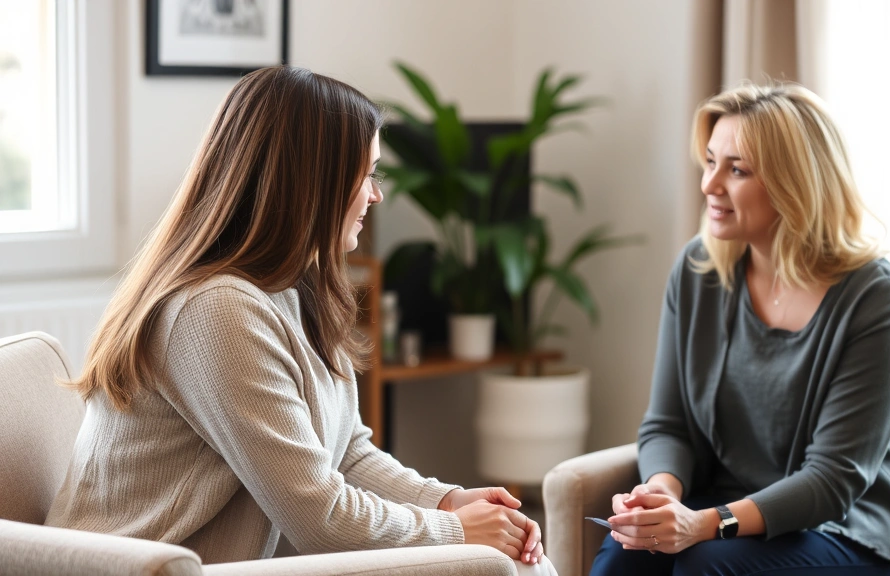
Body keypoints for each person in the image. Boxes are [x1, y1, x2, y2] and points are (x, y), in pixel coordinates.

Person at [45, 66, 554, 575]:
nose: (376, 195)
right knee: (500, 566)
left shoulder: (296, 287)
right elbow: (320, 520)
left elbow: (346, 451)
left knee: (513, 562)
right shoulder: (216, 309)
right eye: (366, 175)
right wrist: (455, 531)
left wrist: (445, 501)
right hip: (143, 571)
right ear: (312, 182)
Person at [590, 83, 890, 575]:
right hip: (725, 508)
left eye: (737, 170)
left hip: (848, 531)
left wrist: (704, 524)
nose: (709, 184)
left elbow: (833, 480)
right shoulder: (699, 270)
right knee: (625, 554)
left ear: (797, 184)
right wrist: (661, 493)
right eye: (710, 162)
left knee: (703, 565)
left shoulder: (879, 297)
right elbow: (668, 423)